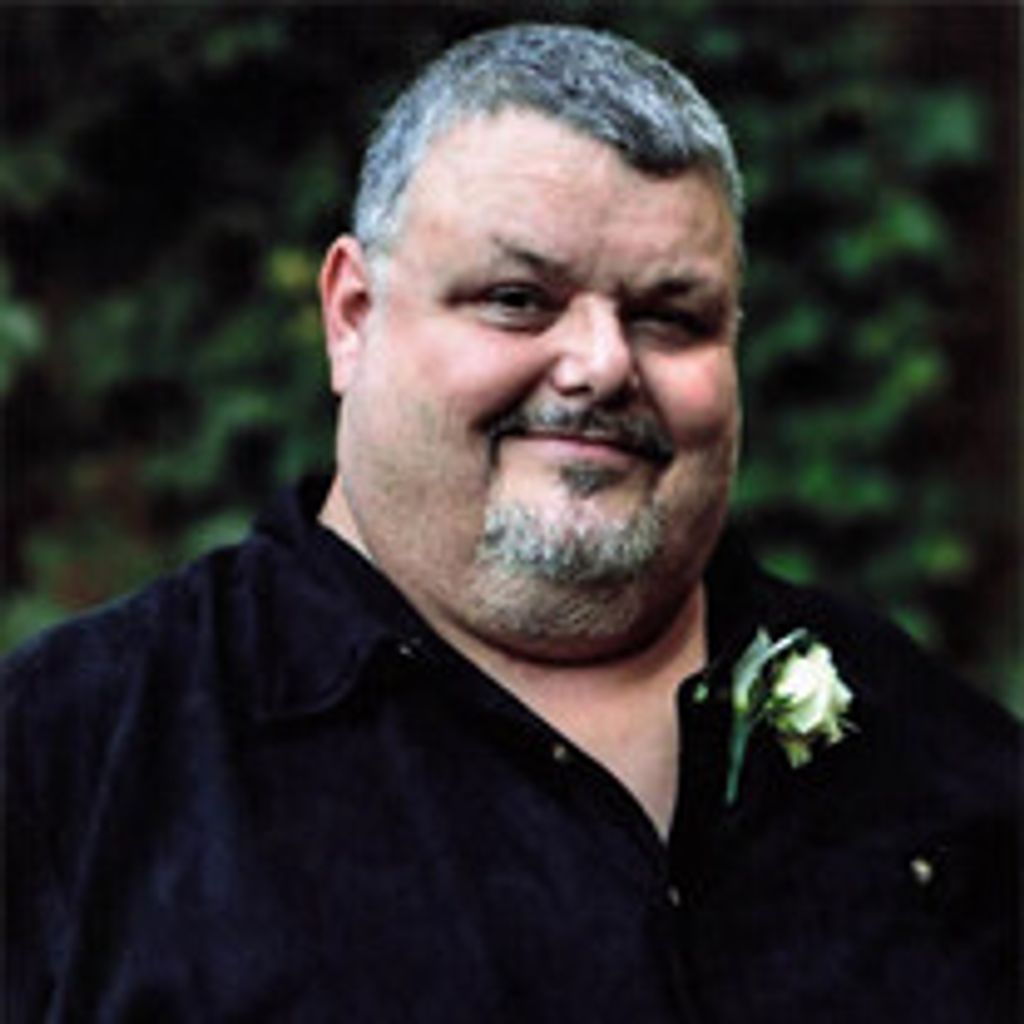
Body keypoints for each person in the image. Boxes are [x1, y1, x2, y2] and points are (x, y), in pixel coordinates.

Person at [4, 22, 1019, 1024]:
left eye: (671, 317)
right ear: (352, 315)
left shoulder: (936, 755)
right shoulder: (68, 764)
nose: (602, 365)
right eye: (517, 299)